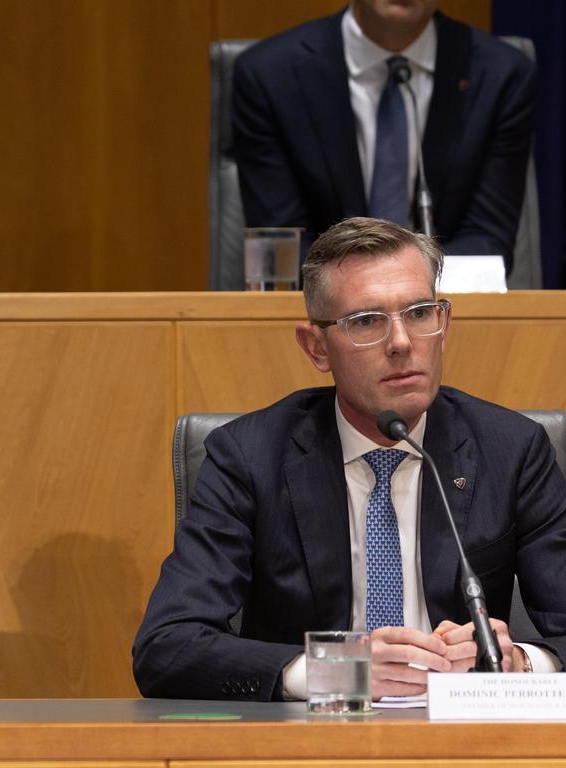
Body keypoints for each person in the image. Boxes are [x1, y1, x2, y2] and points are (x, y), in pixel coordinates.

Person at [133, 217, 566, 702]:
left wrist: (520, 663)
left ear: (443, 324)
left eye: (420, 313)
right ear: (317, 347)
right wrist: (338, 671)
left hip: (462, 740)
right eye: (366, 322)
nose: (402, 342)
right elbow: (166, 647)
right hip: (311, 743)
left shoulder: (512, 449)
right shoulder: (250, 457)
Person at [232, 0, 536, 273]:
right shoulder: (270, 75)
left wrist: (408, 297)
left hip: (442, 312)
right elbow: (282, 243)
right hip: (319, 316)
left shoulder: (501, 75)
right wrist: (370, 295)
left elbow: (486, 238)